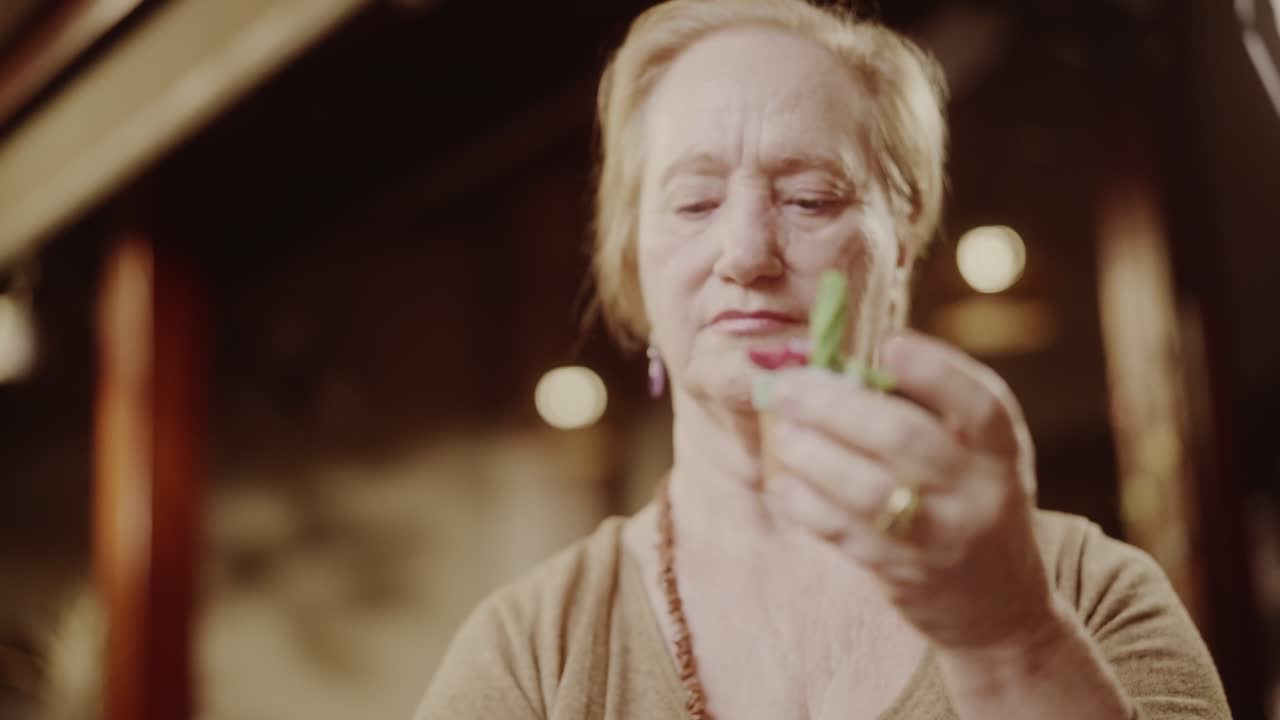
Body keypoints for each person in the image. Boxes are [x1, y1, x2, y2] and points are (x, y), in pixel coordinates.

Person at [414, 0, 1232, 718]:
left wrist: (1008, 640)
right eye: (694, 202)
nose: (744, 251)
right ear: (634, 262)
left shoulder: (1088, 592)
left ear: (902, 246)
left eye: (810, 198)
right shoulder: (529, 649)